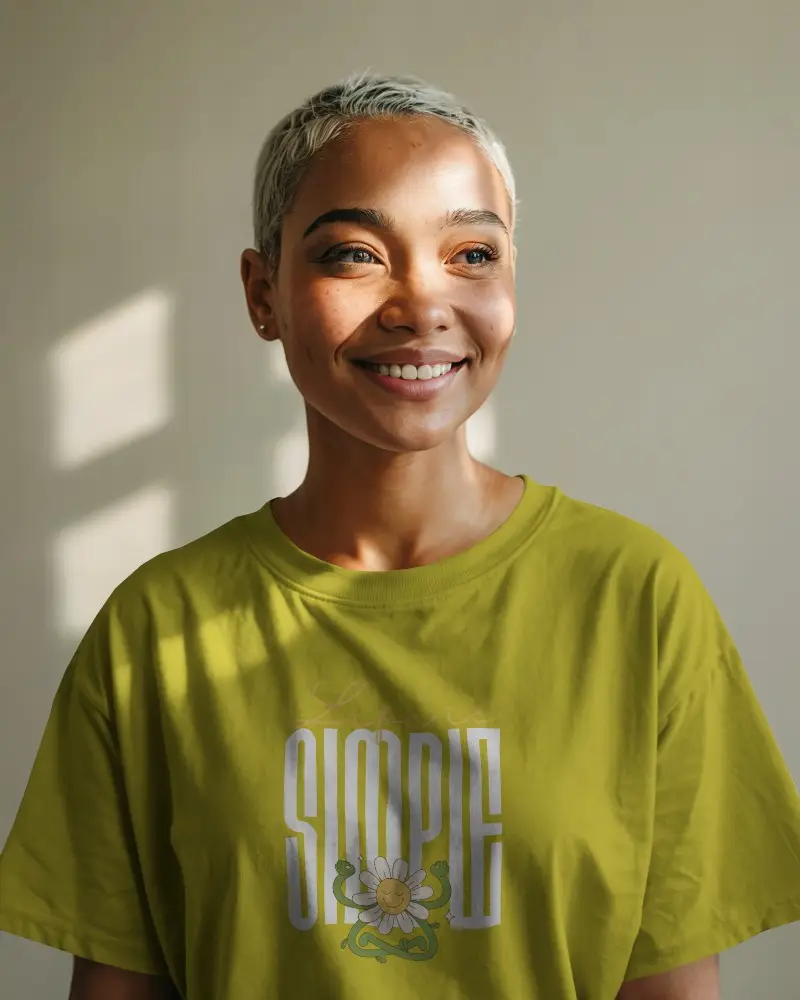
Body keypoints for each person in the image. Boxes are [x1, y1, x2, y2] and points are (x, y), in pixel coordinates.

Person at [1, 72, 799, 1000]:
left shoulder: (637, 599)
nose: (421, 303)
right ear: (264, 293)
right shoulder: (156, 629)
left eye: (471, 254)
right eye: (353, 254)